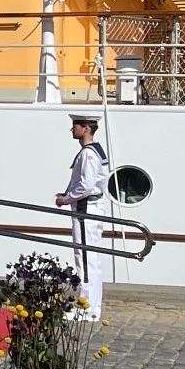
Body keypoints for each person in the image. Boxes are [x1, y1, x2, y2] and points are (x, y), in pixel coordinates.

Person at [55, 113, 111, 321]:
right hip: (93, 208)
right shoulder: (96, 150)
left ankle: (87, 308)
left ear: (86, 128)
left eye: (75, 125)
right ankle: (91, 306)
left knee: (85, 259)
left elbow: (86, 185)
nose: (72, 129)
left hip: (86, 210)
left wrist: (66, 199)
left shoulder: (88, 154)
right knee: (92, 259)